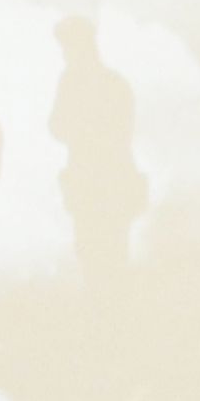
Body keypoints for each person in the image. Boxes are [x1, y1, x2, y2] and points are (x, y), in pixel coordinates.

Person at [50, 17, 144, 295]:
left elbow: (57, 126)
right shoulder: (115, 83)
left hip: (93, 183)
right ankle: (111, 312)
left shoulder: (72, 82)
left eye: (67, 47)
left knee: (97, 257)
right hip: (110, 180)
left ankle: (104, 313)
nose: (65, 54)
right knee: (110, 256)